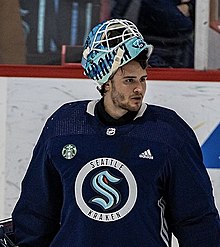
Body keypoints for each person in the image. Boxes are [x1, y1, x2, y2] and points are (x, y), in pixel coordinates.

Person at [12, 19, 220, 247]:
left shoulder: (168, 132)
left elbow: (197, 219)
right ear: (105, 82)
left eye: (143, 79)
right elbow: (36, 212)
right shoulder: (64, 126)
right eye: (129, 81)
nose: (139, 88)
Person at [111, 0, 195, 68]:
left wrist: (189, 7)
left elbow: (202, 14)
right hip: (153, 50)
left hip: (183, 52)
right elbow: (181, 24)